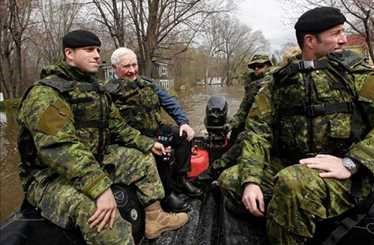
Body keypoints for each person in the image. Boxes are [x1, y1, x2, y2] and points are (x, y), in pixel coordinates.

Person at [218, 7, 374, 244]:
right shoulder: (279, 81)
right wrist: (252, 180)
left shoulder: (356, 74)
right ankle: (289, 216)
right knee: (231, 180)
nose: (344, 39)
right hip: (294, 164)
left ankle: (294, 217)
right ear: (310, 40)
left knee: (292, 183)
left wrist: (353, 162)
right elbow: (257, 132)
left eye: (343, 32)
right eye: (336, 33)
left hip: (348, 176)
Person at [17, 30, 189, 244]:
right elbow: (60, 148)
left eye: (98, 50)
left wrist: (147, 144)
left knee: (142, 159)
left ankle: (156, 219)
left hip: (94, 158)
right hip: (49, 176)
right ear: (69, 54)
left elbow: (118, 127)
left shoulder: (95, 89)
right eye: (89, 50)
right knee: (101, 216)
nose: (97, 55)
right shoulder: (45, 94)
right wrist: (99, 187)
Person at [105, 47, 202, 213]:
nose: (132, 70)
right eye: (126, 66)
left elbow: (169, 102)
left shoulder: (148, 84)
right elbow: (114, 128)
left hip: (156, 129)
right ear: (115, 68)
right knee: (163, 152)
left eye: (134, 65)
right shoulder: (107, 92)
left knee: (183, 136)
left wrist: (183, 122)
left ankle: (181, 179)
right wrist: (148, 142)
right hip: (132, 138)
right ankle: (166, 195)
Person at [209, 54, 274, 176]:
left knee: (243, 137)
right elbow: (242, 111)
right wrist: (230, 125)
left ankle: (215, 169)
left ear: (268, 66)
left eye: (260, 66)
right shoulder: (251, 85)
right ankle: (226, 164)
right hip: (252, 122)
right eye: (254, 66)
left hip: (267, 126)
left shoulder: (273, 81)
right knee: (235, 131)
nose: (256, 69)